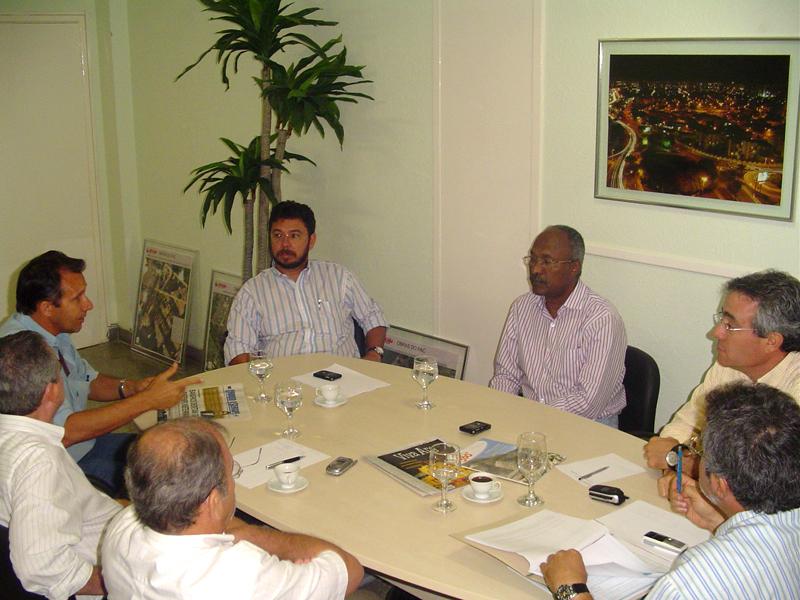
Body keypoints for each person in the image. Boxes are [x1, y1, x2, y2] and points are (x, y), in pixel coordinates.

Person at [540, 382, 800, 599]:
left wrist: (571, 588)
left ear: (720, 485)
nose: (697, 457)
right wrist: (719, 521)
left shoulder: (689, 584)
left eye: (700, 451)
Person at [0, 250, 201, 494]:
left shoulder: (53, 332)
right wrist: (147, 400)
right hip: (59, 469)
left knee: (178, 450)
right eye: (77, 298)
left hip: (84, 446)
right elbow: (66, 432)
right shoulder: (21, 353)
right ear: (47, 308)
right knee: (171, 477)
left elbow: (88, 379)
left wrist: (132, 388)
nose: (89, 305)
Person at [102, 417, 364, 598]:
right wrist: (250, 534)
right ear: (213, 500)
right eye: (231, 472)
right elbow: (349, 569)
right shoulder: (240, 573)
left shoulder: (123, 525)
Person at [643, 270, 800, 492]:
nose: (716, 332)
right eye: (721, 319)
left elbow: (768, 481)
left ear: (771, 341)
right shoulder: (728, 367)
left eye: (730, 325)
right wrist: (674, 467)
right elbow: (686, 424)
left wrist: (679, 461)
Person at [0, 331, 123, 598]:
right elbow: (42, 566)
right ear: (51, 390)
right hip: (108, 563)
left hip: (94, 524)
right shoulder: (40, 463)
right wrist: (115, 584)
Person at [489, 225, 627, 426]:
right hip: (530, 420)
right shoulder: (522, 307)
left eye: (547, 261)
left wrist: (533, 418)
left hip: (588, 426)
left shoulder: (602, 319)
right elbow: (506, 376)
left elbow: (588, 403)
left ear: (574, 267)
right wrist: (499, 416)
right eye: (533, 259)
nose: (535, 269)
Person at [224, 201, 388, 365]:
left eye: (294, 236)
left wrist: (374, 353)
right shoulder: (252, 292)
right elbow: (238, 349)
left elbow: (373, 317)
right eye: (278, 235)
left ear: (311, 240)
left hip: (341, 375)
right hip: (282, 378)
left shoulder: (339, 277)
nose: (285, 244)